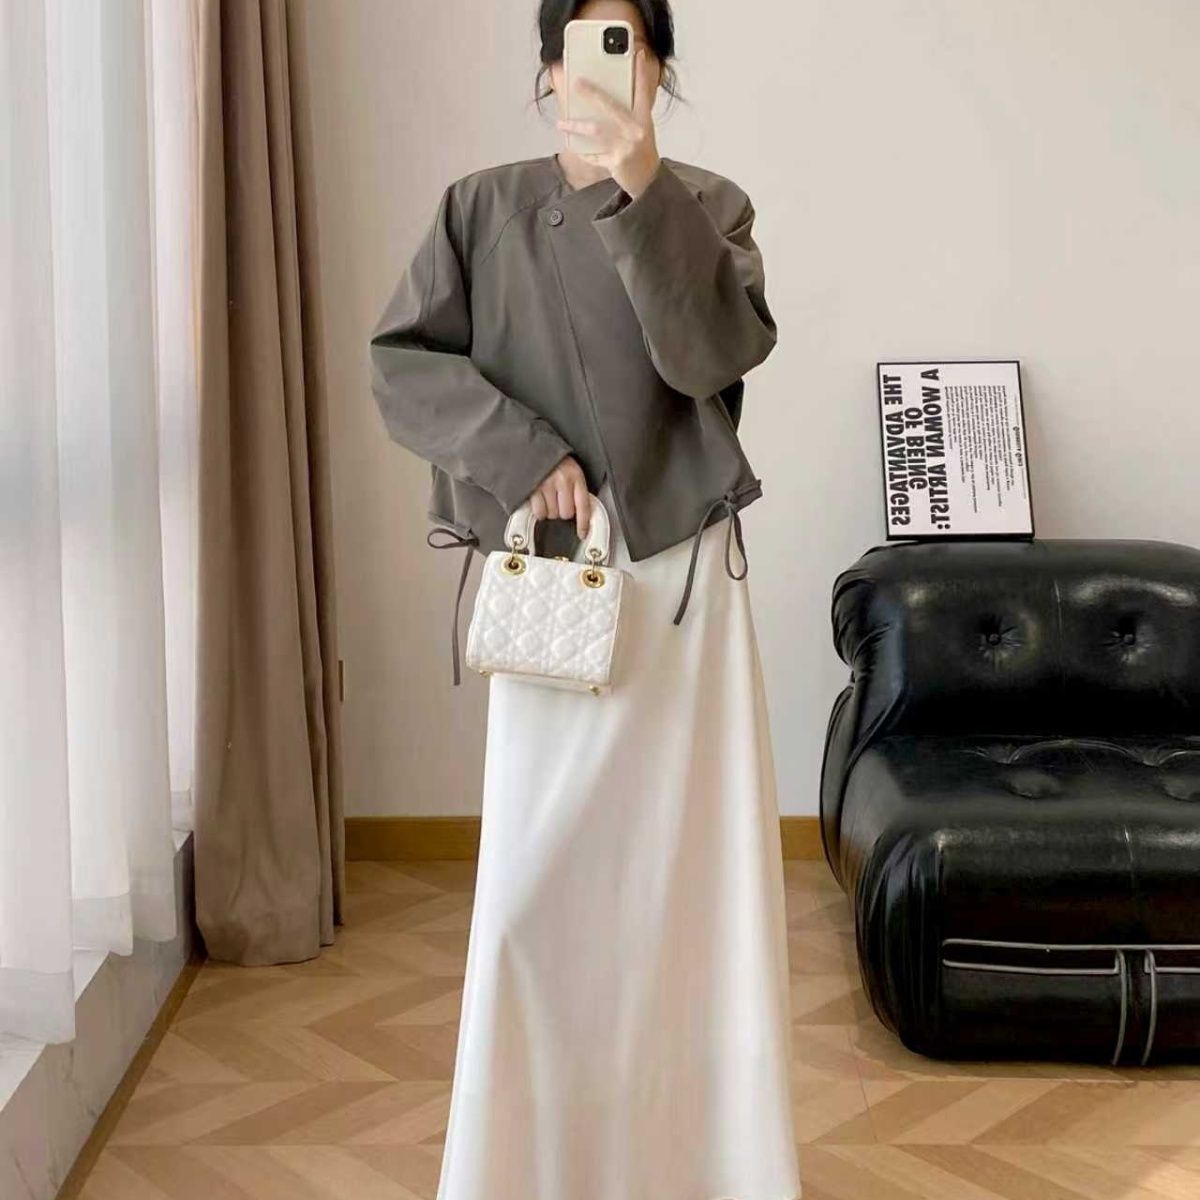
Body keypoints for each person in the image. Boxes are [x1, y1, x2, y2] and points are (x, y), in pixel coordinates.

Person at [368, 2, 801, 1196]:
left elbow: (708, 358)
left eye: (631, 45)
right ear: (549, 67)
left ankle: (707, 1168)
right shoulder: (479, 209)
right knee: (535, 896)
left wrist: (640, 186)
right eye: (584, 45)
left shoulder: (711, 208)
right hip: (558, 589)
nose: (606, 69)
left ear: (658, 68)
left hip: (682, 593)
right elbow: (401, 363)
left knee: (689, 893)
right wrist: (522, 453)